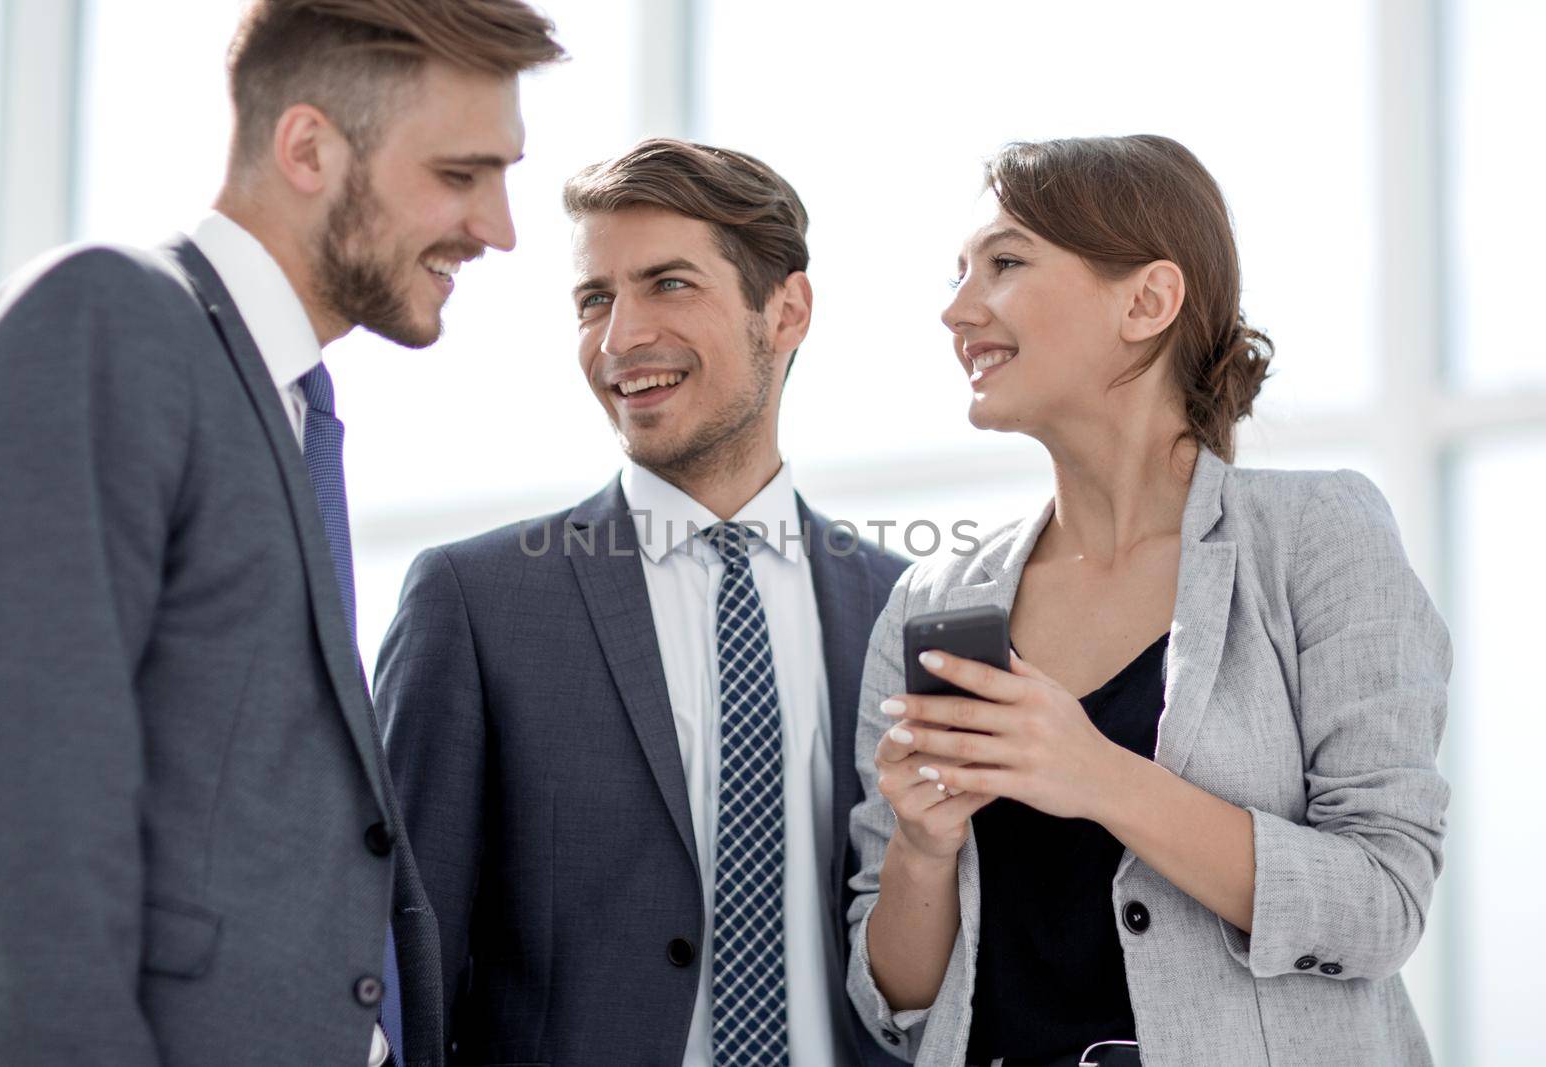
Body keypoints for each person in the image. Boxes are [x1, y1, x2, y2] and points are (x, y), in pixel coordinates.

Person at [0, 2, 561, 1064]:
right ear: (309, 147)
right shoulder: (106, 319)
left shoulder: (283, 404)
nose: (499, 227)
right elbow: (30, 815)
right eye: (461, 175)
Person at [844, 135, 1451, 1066]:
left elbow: (1381, 901)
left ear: (1148, 301)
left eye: (1004, 263)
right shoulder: (934, 597)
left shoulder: (1316, 534)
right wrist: (923, 848)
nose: (956, 309)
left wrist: (1096, 775)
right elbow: (897, 997)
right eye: (960, 272)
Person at [375, 138, 911, 1066]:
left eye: (668, 283)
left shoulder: (896, 606)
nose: (620, 338)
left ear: (787, 311)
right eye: (595, 299)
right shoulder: (475, 603)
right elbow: (401, 958)